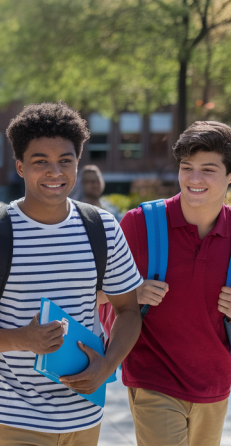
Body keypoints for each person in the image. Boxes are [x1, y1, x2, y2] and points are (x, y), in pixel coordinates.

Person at [0, 102, 143, 446]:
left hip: (84, 412)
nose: (55, 171)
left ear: (77, 164)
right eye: (41, 162)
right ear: (20, 167)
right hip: (13, 413)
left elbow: (128, 311)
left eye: (65, 161)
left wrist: (108, 365)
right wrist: (20, 338)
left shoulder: (103, 228)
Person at [101, 121, 231, 446]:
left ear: (230, 176)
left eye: (208, 169)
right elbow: (93, 294)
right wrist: (129, 293)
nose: (194, 179)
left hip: (215, 383)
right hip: (151, 376)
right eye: (187, 167)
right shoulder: (139, 224)